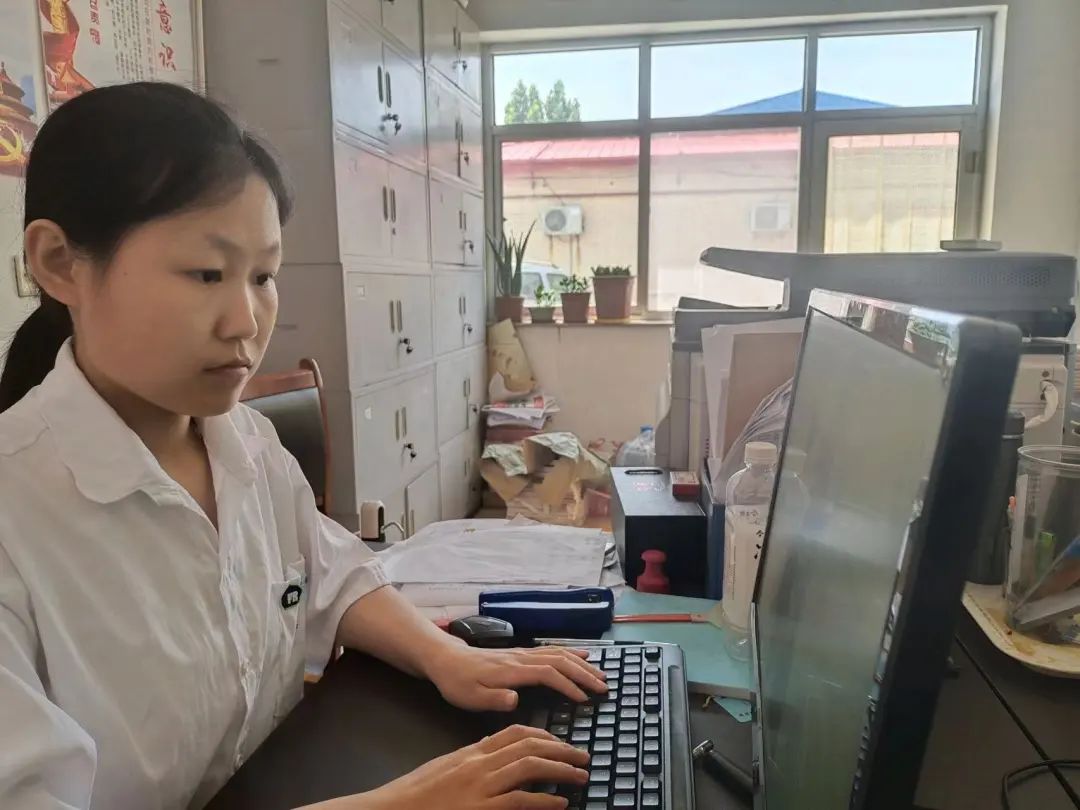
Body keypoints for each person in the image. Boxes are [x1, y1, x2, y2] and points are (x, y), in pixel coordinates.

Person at [0, 83, 606, 810]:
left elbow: (330, 572)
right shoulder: (16, 517)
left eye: (263, 276)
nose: (245, 322)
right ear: (60, 262)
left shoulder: (246, 444)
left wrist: (447, 656)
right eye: (206, 274)